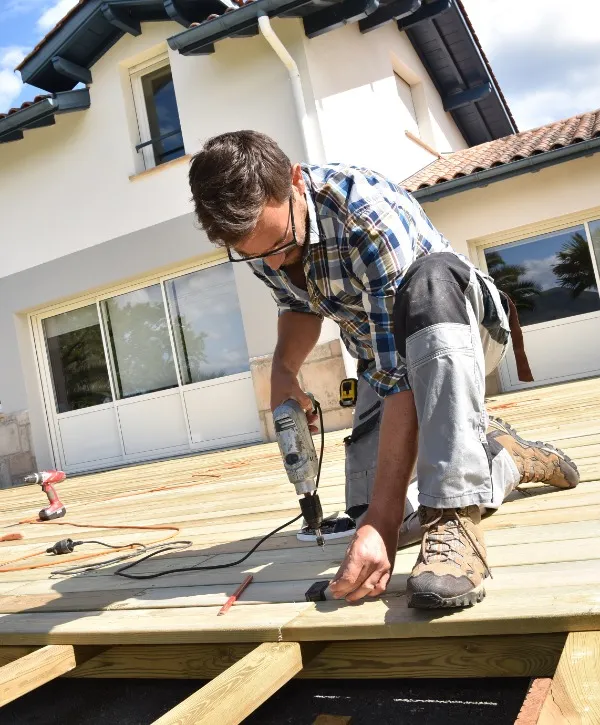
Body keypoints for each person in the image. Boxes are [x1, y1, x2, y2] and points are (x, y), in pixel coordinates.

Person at [188, 130, 580, 609]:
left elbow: (405, 378)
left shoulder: (364, 211)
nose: (271, 260)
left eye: (281, 244)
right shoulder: (258, 234)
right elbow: (299, 306)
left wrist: (384, 519)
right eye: (254, 253)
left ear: (293, 181)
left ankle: (456, 520)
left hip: (460, 328)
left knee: (430, 278)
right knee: (373, 514)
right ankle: (504, 459)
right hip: (384, 358)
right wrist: (284, 371)